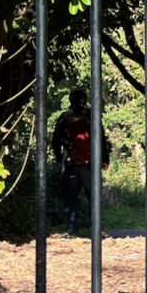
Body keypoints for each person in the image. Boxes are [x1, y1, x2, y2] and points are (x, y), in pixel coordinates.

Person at [51, 89, 109, 235]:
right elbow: (101, 138)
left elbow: (55, 140)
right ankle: (94, 229)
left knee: (71, 198)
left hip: (74, 164)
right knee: (92, 197)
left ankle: (72, 230)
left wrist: (59, 158)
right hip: (88, 164)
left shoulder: (65, 117)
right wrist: (105, 159)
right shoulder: (91, 116)